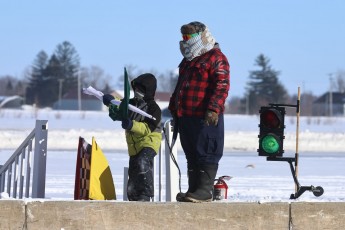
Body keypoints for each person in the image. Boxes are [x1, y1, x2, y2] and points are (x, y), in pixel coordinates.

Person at [168, 21, 230, 203]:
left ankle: (205, 190)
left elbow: (222, 85)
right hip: (186, 115)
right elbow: (180, 87)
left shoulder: (216, 57)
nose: (185, 41)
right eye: (183, 37)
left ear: (200, 37)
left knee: (206, 151)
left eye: (189, 37)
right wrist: (174, 106)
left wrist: (213, 109)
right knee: (191, 152)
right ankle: (194, 189)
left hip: (206, 117)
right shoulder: (188, 60)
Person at [103, 73, 162, 201]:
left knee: (143, 162)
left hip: (149, 142)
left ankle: (146, 195)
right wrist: (110, 102)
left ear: (148, 91)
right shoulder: (130, 103)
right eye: (136, 89)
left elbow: (147, 129)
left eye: (141, 90)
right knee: (134, 173)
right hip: (134, 145)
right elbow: (119, 110)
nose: (137, 92)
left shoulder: (154, 108)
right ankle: (134, 197)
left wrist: (131, 125)